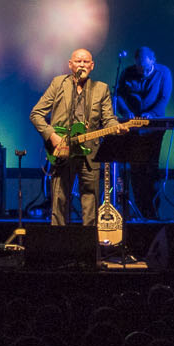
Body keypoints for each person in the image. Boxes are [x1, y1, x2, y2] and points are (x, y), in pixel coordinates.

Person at [30, 47, 117, 227]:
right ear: (70, 64)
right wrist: (52, 136)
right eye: (78, 61)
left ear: (92, 66)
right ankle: (59, 247)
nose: (82, 65)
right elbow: (36, 114)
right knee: (60, 201)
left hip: (90, 153)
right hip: (62, 150)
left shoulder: (101, 89)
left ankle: (88, 247)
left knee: (90, 201)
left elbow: (108, 119)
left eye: (86, 62)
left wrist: (117, 128)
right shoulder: (58, 84)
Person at [114, 46, 173, 220]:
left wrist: (152, 114)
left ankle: (153, 214)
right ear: (135, 63)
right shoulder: (127, 73)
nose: (144, 72)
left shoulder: (164, 73)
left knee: (151, 169)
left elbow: (164, 98)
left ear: (153, 60)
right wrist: (126, 113)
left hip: (154, 127)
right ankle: (140, 212)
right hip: (132, 128)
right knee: (136, 172)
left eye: (147, 69)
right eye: (141, 69)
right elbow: (118, 96)